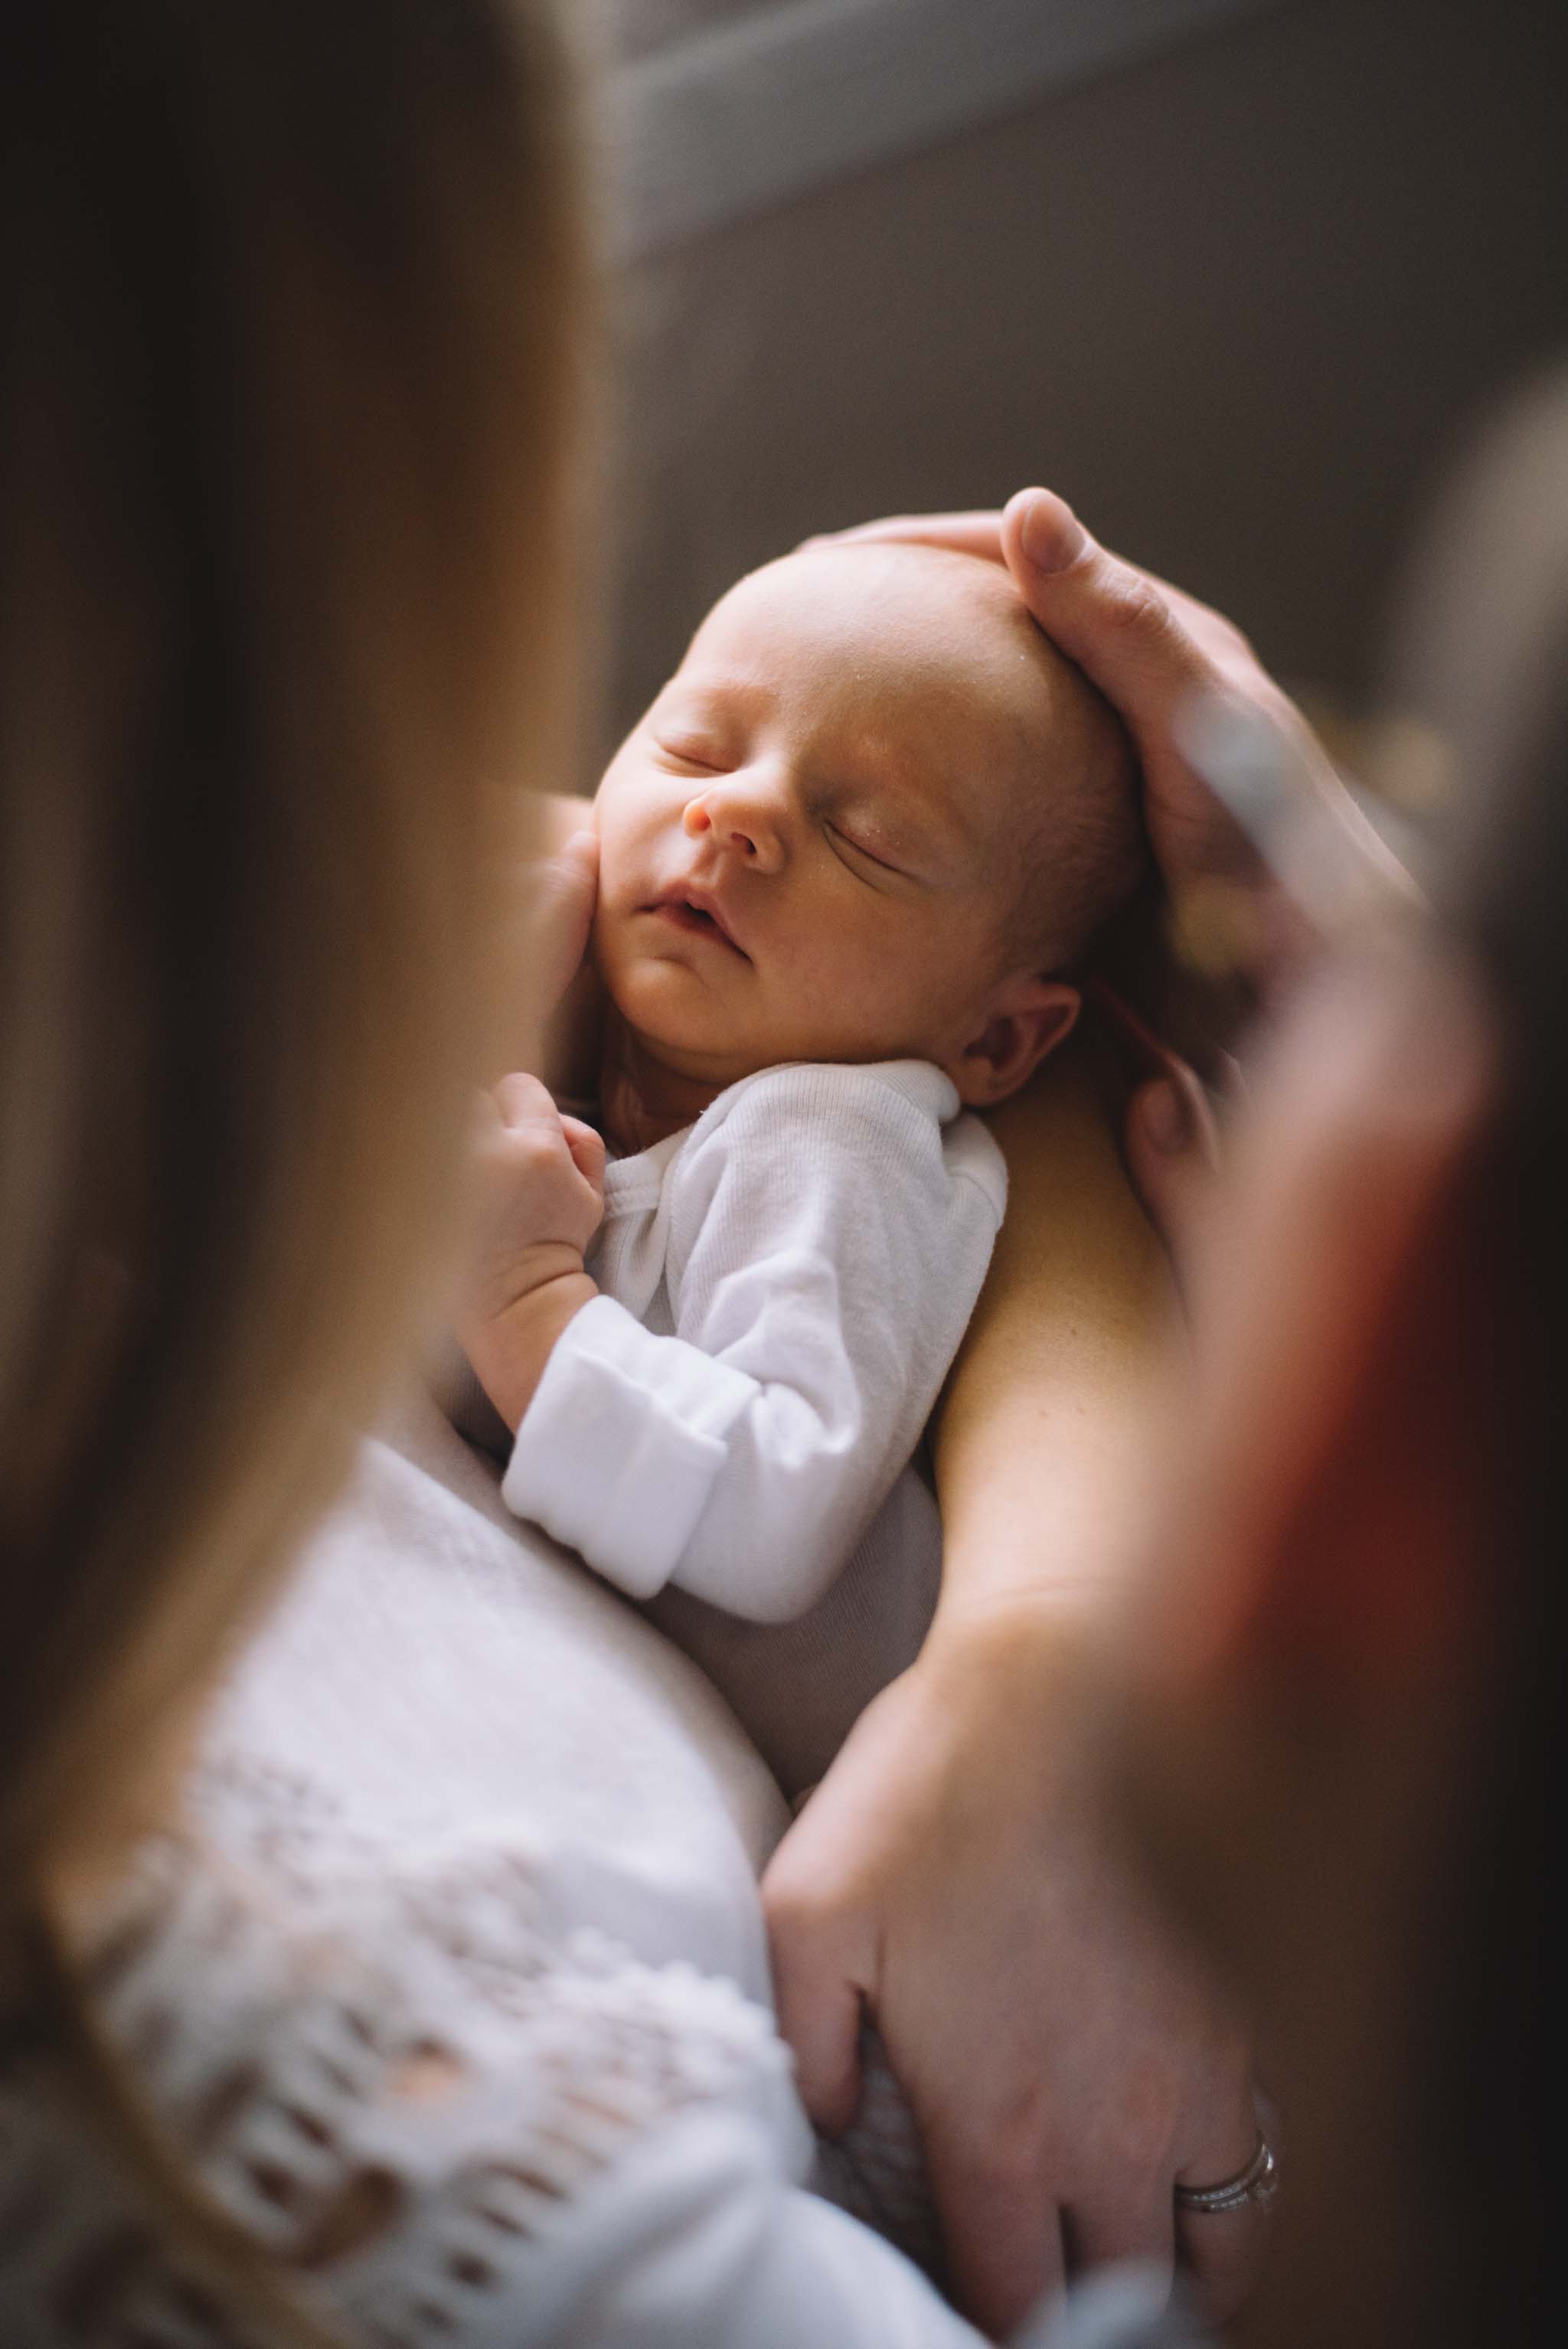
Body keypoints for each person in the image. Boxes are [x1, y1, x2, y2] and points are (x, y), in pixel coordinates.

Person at [0, 4, 1292, 2342]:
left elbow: (969, 1203)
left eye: (864, 832)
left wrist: (1032, 1641)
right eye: (696, 737)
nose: (716, 821)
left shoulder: (783, 1093)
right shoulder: (433, 2126)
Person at [454, 537, 1142, 1792]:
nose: (740, 812)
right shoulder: (601, 1049)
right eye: (697, 747)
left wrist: (524, 1300)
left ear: (994, 1035)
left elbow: (771, 1517)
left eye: (870, 836)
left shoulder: (828, 1138)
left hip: (839, 1789)